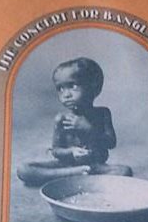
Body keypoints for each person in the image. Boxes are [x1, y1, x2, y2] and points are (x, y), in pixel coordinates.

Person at [17, 57, 133, 186]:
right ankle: (76, 174)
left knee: (125, 171)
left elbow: (111, 143)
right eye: (60, 88)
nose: (66, 95)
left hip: (95, 166)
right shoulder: (61, 119)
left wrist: (88, 129)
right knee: (24, 170)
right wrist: (71, 151)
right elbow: (56, 151)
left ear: (94, 87)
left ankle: (75, 176)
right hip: (66, 166)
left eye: (73, 86)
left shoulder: (102, 114)